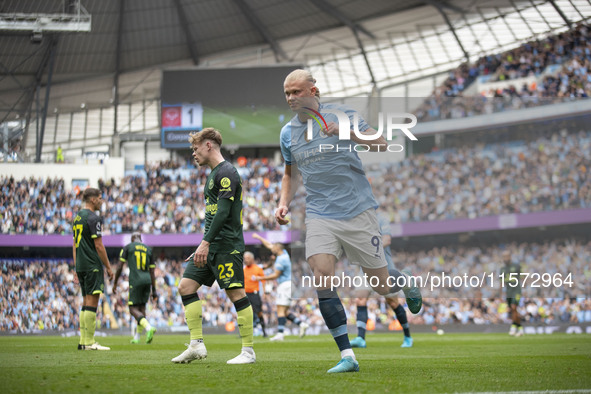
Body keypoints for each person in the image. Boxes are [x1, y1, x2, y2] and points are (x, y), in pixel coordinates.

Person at [276, 69, 422, 373]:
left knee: (381, 286)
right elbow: (290, 173)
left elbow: (381, 143)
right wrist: (282, 203)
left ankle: (404, 280)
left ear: (313, 92)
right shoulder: (287, 133)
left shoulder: (343, 115)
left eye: (297, 92)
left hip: (358, 212)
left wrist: (347, 133)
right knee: (322, 274)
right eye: (287, 93)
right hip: (319, 214)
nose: (291, 99)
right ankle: (347, 356)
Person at [171, 127, 255, 365]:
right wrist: (204, 244)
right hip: (209, 246)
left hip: (226, 246)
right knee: (186, 286)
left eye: (195, 149)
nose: (193, 154)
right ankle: (196, 345)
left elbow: (223, 212)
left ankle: (248, 351)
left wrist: (205, 243)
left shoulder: (226, 171)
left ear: (208, 145)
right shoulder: (213, 174)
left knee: (236, 293)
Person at [350, 208, 413, 348]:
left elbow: (387, 239)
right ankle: (360, 338)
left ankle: (408, 336)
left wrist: (369, 250)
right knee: (360, 298)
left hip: (384, 266)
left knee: (393, 302)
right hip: (365, 267)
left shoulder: (381, 217)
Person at [72, 187, 114, 350]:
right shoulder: (93, 218)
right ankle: (89, 342)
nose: (101, 201)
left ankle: (83, 341)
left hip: (81, 265)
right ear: (92, 200)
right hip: (92, 265)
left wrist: (76, 267)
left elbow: (74, 245)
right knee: (92, 302)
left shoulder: (77, 218)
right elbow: (99, 245)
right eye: (100, 198)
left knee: (85, 302)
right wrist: (109, 267)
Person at [252, 233, 309, 341]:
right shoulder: (284, 253)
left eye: (274, 247)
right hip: (288, 284)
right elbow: (269, 245)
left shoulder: (281, 260)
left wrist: (260, 278)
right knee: (285, 311)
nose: (271, 249)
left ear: (277, 248)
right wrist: (259, 238)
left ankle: (280, 334)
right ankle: (301, 324)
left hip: (284, 285)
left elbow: (275, 275)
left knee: (280, 310)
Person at [112, 232, 158, 344]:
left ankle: (148, 328)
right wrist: (154, 290)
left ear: (132, 239)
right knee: (141, 308)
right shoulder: (148, 249)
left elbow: (119, 266)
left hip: (136, 280)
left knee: (132, 309)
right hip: (147, 280)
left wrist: (115, 283)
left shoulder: (128, 247)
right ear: (140, 239)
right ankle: (137, 337)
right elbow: (152, 272)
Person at [243, 251, 268, 337]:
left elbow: (263, 281)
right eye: (245, 258)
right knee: (244, 313)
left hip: (254, 294)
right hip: (245, 294)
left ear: (252, 259)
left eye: (247, 258)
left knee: (259, 312)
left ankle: (264, 331)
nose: (246, 260)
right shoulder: (243, 269)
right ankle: (244, 333)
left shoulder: (258, 269)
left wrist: (264, 292)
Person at [500, 250, 524, 337]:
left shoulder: (516, 266)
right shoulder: (502, 269)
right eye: (504, 257)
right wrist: (500, 294)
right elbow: (501, 282)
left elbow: (523, 277)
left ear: (510, 257)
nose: (505, 258)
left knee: (514, 307)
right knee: (513, 310)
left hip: (516, 291)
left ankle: (513, 327)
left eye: (507, 256)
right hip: (508, 292)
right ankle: (520, 328)